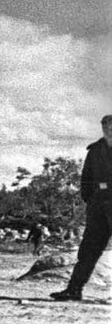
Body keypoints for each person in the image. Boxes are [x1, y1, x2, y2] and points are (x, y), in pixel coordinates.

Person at [50, 114, 112, 301]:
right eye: (105, 125)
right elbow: (86, 178)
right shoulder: (95, 150)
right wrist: (91, 200)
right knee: (88, 250)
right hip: (99, 207)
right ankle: (74, 290)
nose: (109, 128)